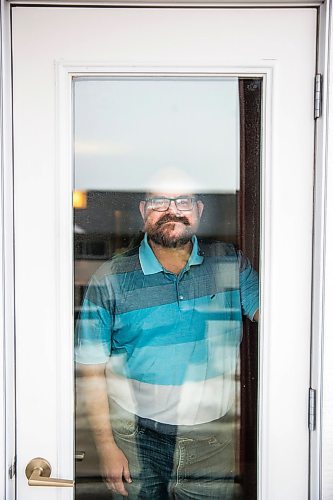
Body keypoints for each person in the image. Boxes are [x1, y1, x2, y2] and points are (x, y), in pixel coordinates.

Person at [75, 189, 259, 499]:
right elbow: (91, 370)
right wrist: (106, 446)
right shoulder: (110, 278)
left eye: (183, 201)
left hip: (212, 437)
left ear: (198, 210)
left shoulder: (230, 263)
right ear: (143, 210)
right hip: (134, 438)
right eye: (159, 202)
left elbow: (286, 325)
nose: (171, 210)